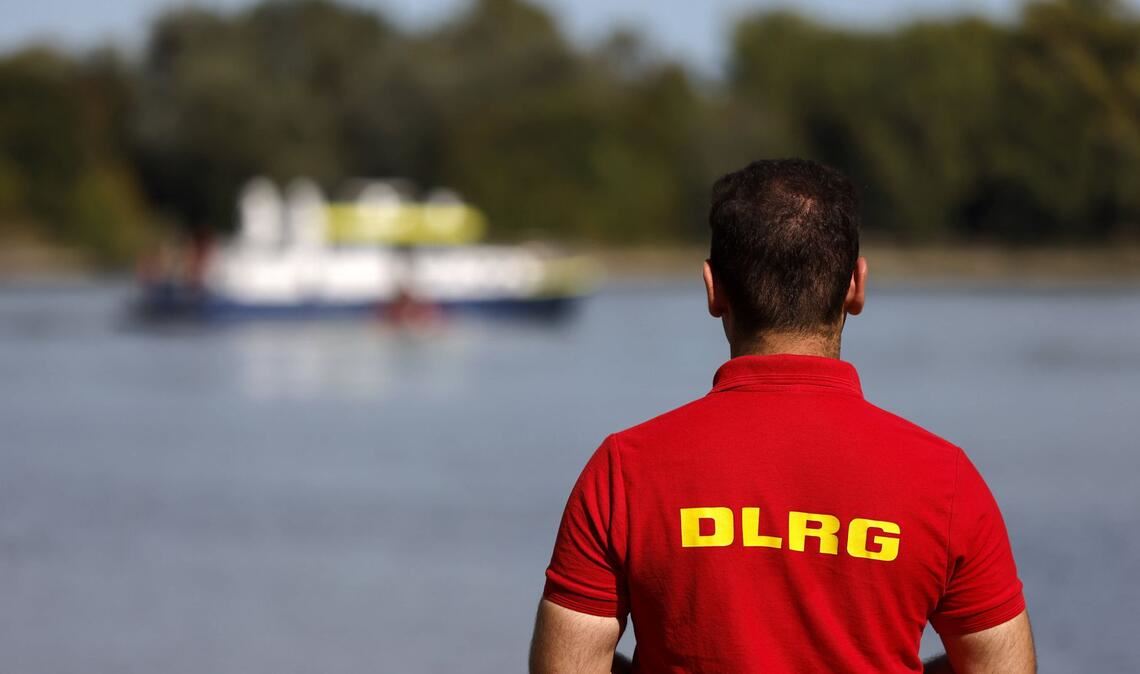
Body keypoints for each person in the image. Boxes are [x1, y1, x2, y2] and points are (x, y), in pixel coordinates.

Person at [529, 159, 1035, 673]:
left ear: (713, 289)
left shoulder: (626, 469)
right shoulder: (944, 479)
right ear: (856, 286)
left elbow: (565, 667)